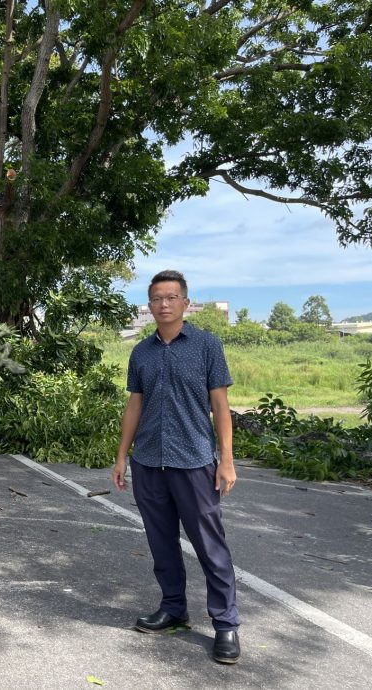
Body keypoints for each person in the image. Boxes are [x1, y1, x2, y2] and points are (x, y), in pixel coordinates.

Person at [112, 269, 240, 664]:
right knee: (161, 541)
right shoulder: (141, 352)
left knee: (209, 545)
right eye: (156, 298)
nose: (163, 305)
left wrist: (227, 460)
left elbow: (220, 405)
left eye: (170, 297)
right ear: (148, 306)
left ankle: (226, 624)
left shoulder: (206, 345)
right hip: (149, 461)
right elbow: (135, 404)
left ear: (185, 302)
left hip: (194, 461)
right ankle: (173, 607)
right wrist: (121, 455)